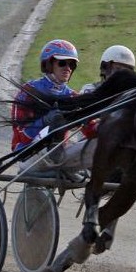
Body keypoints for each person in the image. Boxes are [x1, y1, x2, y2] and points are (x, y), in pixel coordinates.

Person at [11, 39, 97, 175]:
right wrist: (45, 122)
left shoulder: (73, 97)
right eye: (62, 63)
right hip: (28, 155)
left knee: (101, 141)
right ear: (48, 65)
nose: (68, 68)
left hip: (59, 156)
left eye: (72, 64)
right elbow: (22, 138)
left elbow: (92, 131)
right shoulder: (28, 91)